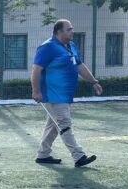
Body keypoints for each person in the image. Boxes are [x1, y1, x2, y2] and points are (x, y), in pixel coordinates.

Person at [31, 19, 102, 167]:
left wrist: (94, 82)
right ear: (59, 31)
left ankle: (43, 155)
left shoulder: (71, 46)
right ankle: (79, 156)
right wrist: (36, 91)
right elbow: (36, 70)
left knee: (53, 125)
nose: (72, 31)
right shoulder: (48, 47)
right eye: (69, 29)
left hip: (64, 95)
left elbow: (80, 66)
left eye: (71, 29)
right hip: (52, 95)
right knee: (64, 123)